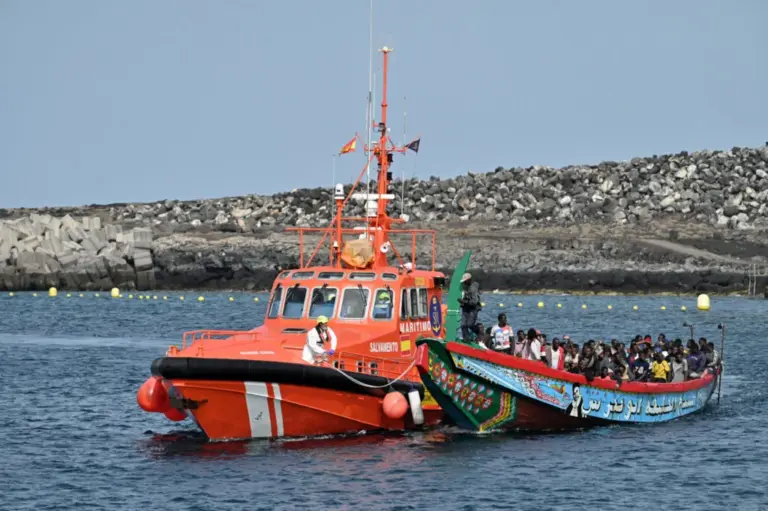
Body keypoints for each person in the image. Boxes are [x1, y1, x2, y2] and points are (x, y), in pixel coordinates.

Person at [458, 272, 481, 340]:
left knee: (470, 325)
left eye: (465, 281)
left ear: (469, 280)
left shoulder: (473, 288)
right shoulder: (465, 286)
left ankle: (479, 333)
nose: (464, 282)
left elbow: (474, 301)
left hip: (473, 309)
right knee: (463, 325)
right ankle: (467, 338)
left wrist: (464, 302)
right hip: (466, 308)